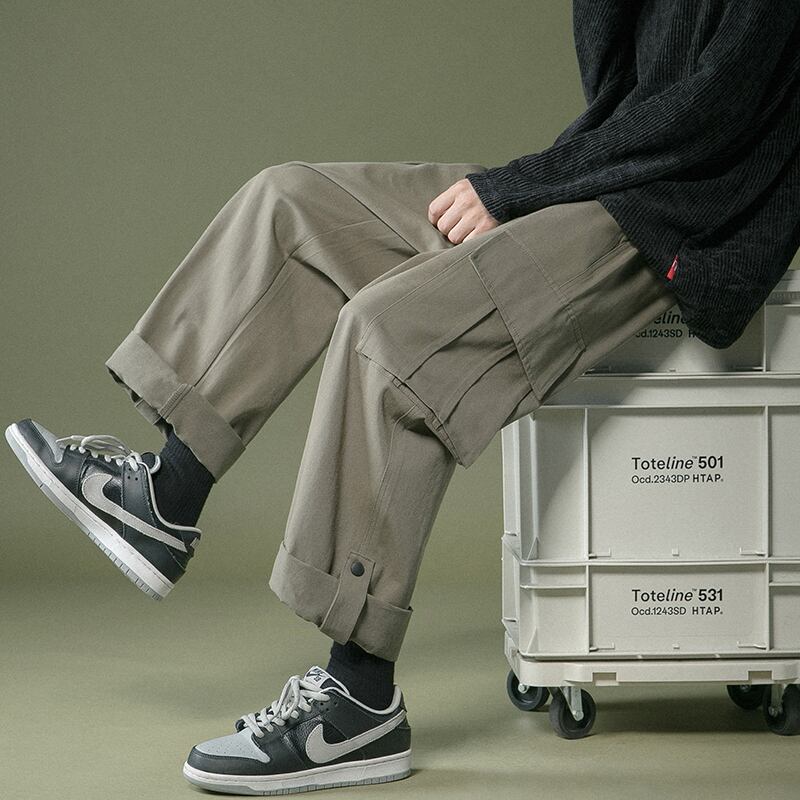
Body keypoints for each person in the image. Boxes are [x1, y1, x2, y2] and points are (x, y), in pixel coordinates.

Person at [6, 1, 800, 795]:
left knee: (389, 332)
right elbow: (616, 87)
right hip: (607, 177)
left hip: (681, 218)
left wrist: (512, 189)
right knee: (290, 203)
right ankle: (167, 495)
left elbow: (709, 116)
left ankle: (360, 698)